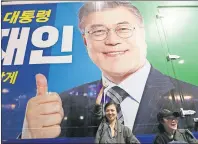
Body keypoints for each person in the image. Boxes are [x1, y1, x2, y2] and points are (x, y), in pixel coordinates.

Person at [21, 1, 198, 139]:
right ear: (85, 42)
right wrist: (30, 138)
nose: (112, 40)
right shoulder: (62, 105)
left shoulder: (192, 98)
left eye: (123, 29)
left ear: (143, 34)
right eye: (98, 31)